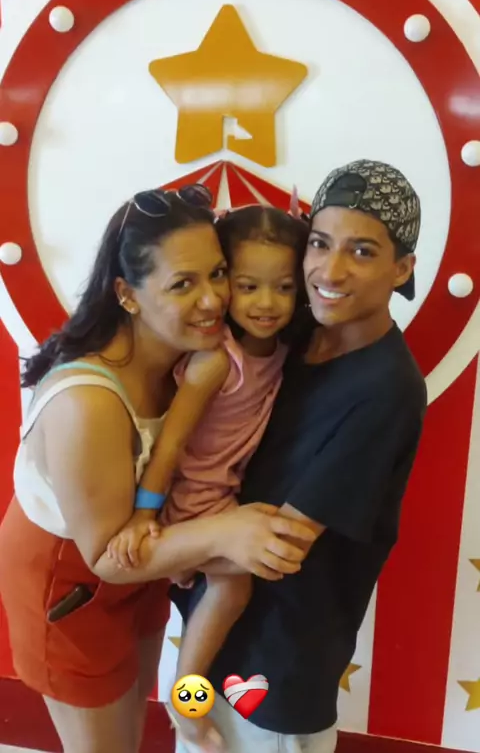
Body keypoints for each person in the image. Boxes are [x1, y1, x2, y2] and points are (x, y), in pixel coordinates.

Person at [0, 185, 317, 753]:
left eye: (217, 274)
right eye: (182, 284)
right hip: (71, 581)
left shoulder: (194, 353)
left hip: (147, 558)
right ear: (127, 294)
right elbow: (106, 555)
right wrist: (225, 531)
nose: (212, 299)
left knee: (133, 728)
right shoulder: (88, 403)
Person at [173, 160, 428, 753]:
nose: (329, 270)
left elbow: (276, 545)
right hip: (211, 630)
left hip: (274, 669)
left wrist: (158, 545)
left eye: (362, 251)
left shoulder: (386, 389)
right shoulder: (294, 331)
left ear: (402, 268)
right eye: (319, 243)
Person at [106, 205, 309, 749]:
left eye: (284, 288)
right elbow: (170, 443)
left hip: (226, 494)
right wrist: (144, 515)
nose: (266, 303)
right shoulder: (218, 360)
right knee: (233, 586)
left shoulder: (283, 351)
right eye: (247, 286)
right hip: (196, 498)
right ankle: (185, 698)